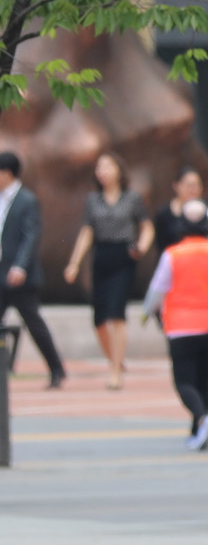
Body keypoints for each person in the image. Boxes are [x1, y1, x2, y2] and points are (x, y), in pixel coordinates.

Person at [142, 202, 208, 450]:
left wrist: (145, 314)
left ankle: (202, 418)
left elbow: (156, 291)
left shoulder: (173, 254)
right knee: (205, 378)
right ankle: (199, 429)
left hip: (181, 326)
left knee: (184, 382)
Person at [63, 151, 153, 390]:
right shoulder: (93, 200)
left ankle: (115, 371)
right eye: (99, 167)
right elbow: (87, 232)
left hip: (124, 256)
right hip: (101, 256)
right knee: (99, 319)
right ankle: (116, 358)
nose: (102, 171)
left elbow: (146, 227)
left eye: (108, 166)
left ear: (119, 170)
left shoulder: (132, 198)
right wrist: (74, 262)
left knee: (116, 313)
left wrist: (141, 247)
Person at [0, 151, 64, 389]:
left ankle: (56, 369)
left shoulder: (27, 200)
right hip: (0, 272)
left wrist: (20, 265)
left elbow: (31, 235)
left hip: (19, 276)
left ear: (6, 173)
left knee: (34, 324)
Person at [153, 165, 207, 251]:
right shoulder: (163, 214)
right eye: (189, 185)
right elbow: (161, 244)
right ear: (176, 186)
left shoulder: (206, 211)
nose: (194, 190)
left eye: (197, 185)